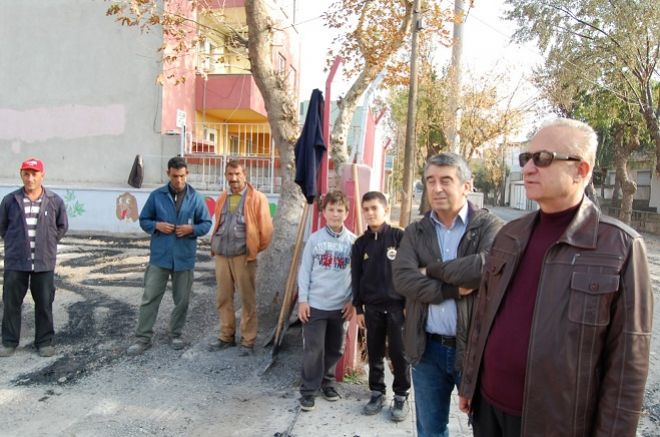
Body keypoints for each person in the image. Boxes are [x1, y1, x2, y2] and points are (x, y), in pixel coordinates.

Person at [458, 118, 653, 436]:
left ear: (582, 170)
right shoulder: (510, 235)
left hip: (556, 425)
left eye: (543, 158)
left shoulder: (621, 247)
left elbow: (627, 365)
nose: (529, 168)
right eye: (527, 158)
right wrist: (469, 381)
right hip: (489, 411)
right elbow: (483, 314)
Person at [392, 153, 503, 437]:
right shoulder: (416, 231)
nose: (437, 188)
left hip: (476, 350)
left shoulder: (489, 226)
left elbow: (484, 268)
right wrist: (451, 288)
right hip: (427, 349)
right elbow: (402, 278)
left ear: (466, 185)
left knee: (485, 428)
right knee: (430, 431)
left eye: (446, 180)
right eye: (430, 181)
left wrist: (429, 271)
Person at [127, 156, 212, 355]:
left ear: (187, 174)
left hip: (184, 257)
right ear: (168, 174)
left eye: (182, 176)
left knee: (182, 299)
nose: (179, 181)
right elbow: (144, 220)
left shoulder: (196, 198)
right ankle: (143, 338)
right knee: (150, 297)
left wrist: (191, 228)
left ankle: (176, 334)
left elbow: (206, 224)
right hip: (160, 257)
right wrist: (157, 225)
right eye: (175, 176)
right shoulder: (157, 196)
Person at [0, 158, 68, 357]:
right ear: (21, 174)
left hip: (43, 262)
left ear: (42, 175)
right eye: (26, 174)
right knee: (11, 302)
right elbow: (2, 226)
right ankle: (9, 341)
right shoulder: (10, 200)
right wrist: (15, 244)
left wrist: (47, 243)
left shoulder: (54, 201)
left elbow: (62, 226)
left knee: (44, 302)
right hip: (16, 261)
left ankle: (44, 342)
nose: (30, 178)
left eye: (34, 174)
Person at [351, 191, 410, 421]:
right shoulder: (360, 244)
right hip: (372, 309)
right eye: (366, 209)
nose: (370, 213)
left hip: (397, 308)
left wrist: (408, 303)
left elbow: (410, 273)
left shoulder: (399, 237)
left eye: (374, 208)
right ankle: (377, 392)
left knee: (399, 353)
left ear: (386, 210)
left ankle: (401, 395)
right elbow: (356, 278)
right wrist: (358, 309)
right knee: (374, 352)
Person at [297, 191, 356, 412]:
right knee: (314, 349)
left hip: (339, 306)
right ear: (323, 213)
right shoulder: (315, 239)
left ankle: (328, 383)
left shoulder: (353, 241)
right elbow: (304, 271)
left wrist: (352, 300)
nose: (335, 214)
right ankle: (308, 390)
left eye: (339, 210)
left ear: (346, 213)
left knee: (334, 348)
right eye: (330, 210)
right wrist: (303, 300)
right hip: (316, 305)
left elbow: (357, 275)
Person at [209, 160, 273, 356]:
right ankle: (226, 336)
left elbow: (266, 232)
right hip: (221, 255)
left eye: (237, 174)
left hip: (244, 257)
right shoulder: (222, 197)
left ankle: (248, 341)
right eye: (230, 174)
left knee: (247, 299)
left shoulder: (257, 198)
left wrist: (252, 250)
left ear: (245, 175)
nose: (233, 178)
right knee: (223, 298)